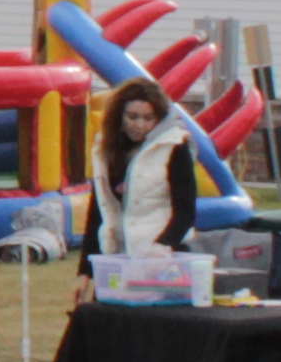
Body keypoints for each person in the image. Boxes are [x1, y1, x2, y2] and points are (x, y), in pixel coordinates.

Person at [83, 81, 202, 262]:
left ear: (159, 118)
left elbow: (185, 212)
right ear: (119, 116)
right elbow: (99, 210)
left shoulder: (175, 147)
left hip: (162, 256)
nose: (140, 125)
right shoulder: (104, 150)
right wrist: (85, 269)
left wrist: (161, 247)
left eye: (148, 118)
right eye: (133, 117)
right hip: (117, 256)